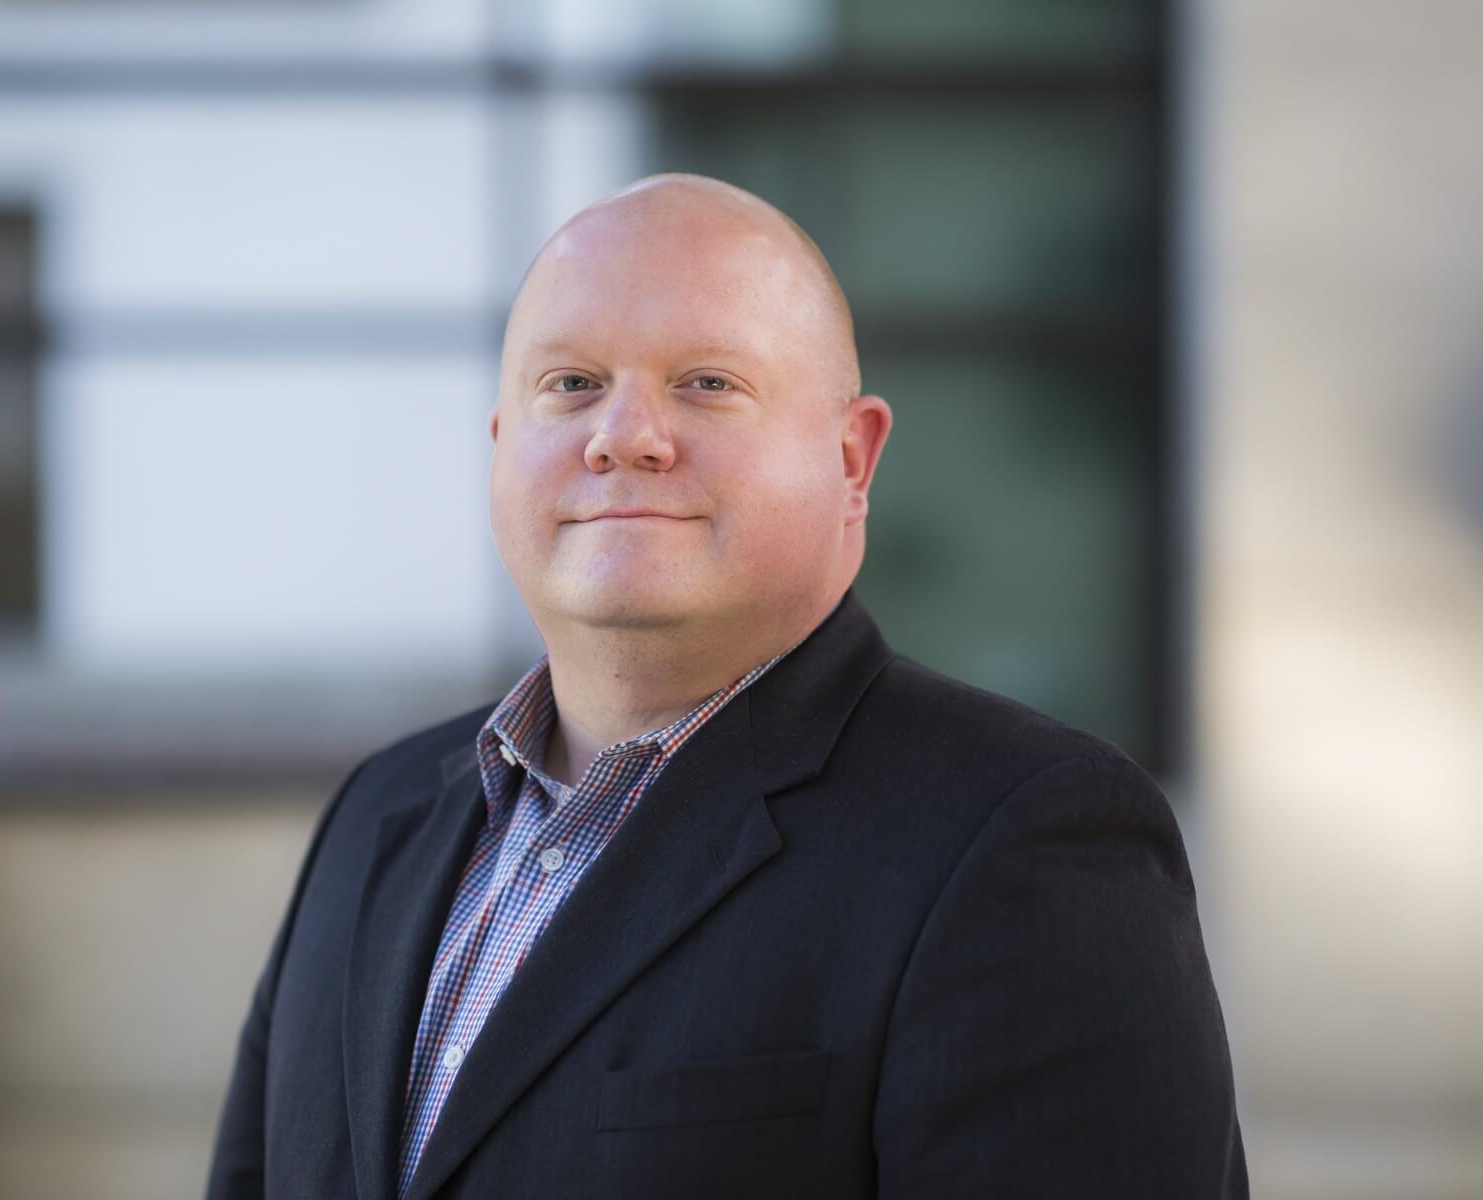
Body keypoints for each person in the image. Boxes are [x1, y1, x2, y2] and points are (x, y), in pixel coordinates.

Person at [206, 173, 1248, 1200]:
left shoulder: (1024, 841)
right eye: (570, 385)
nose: (623, 435)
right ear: (500, 447)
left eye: (706, 382)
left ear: (852, 460)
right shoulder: (375, 816)